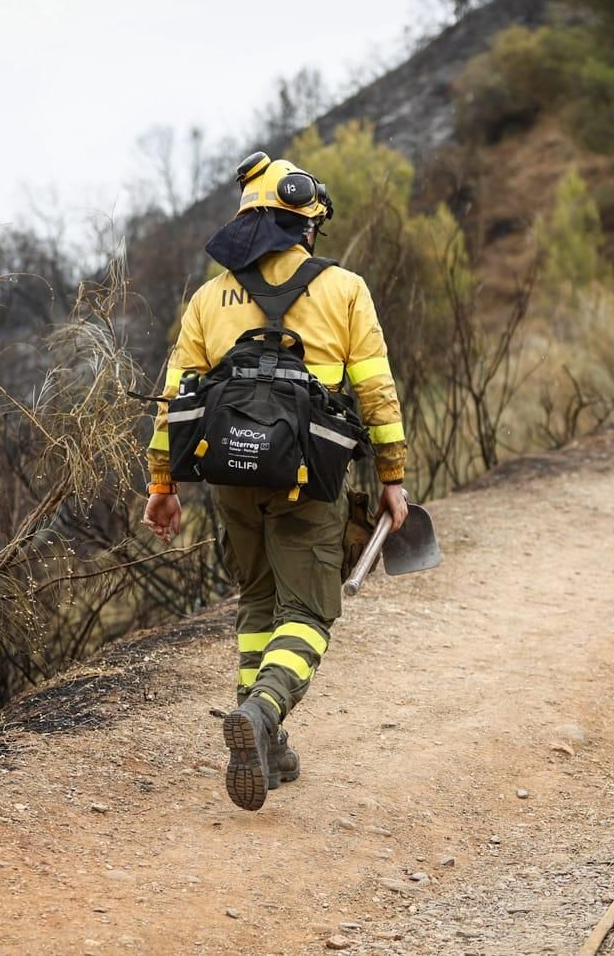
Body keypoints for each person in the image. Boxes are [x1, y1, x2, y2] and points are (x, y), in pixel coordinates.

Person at [142, 151, 409, 811]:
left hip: (229, 472)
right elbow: (376, 391)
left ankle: (267, 742)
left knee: (257, 601)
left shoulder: (209, 298)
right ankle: (262, 711)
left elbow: (173, 399)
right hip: (308, 476)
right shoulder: (344, 289)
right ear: (305, 222)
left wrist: (162, 484)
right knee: (308, 612)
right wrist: (392, 476)